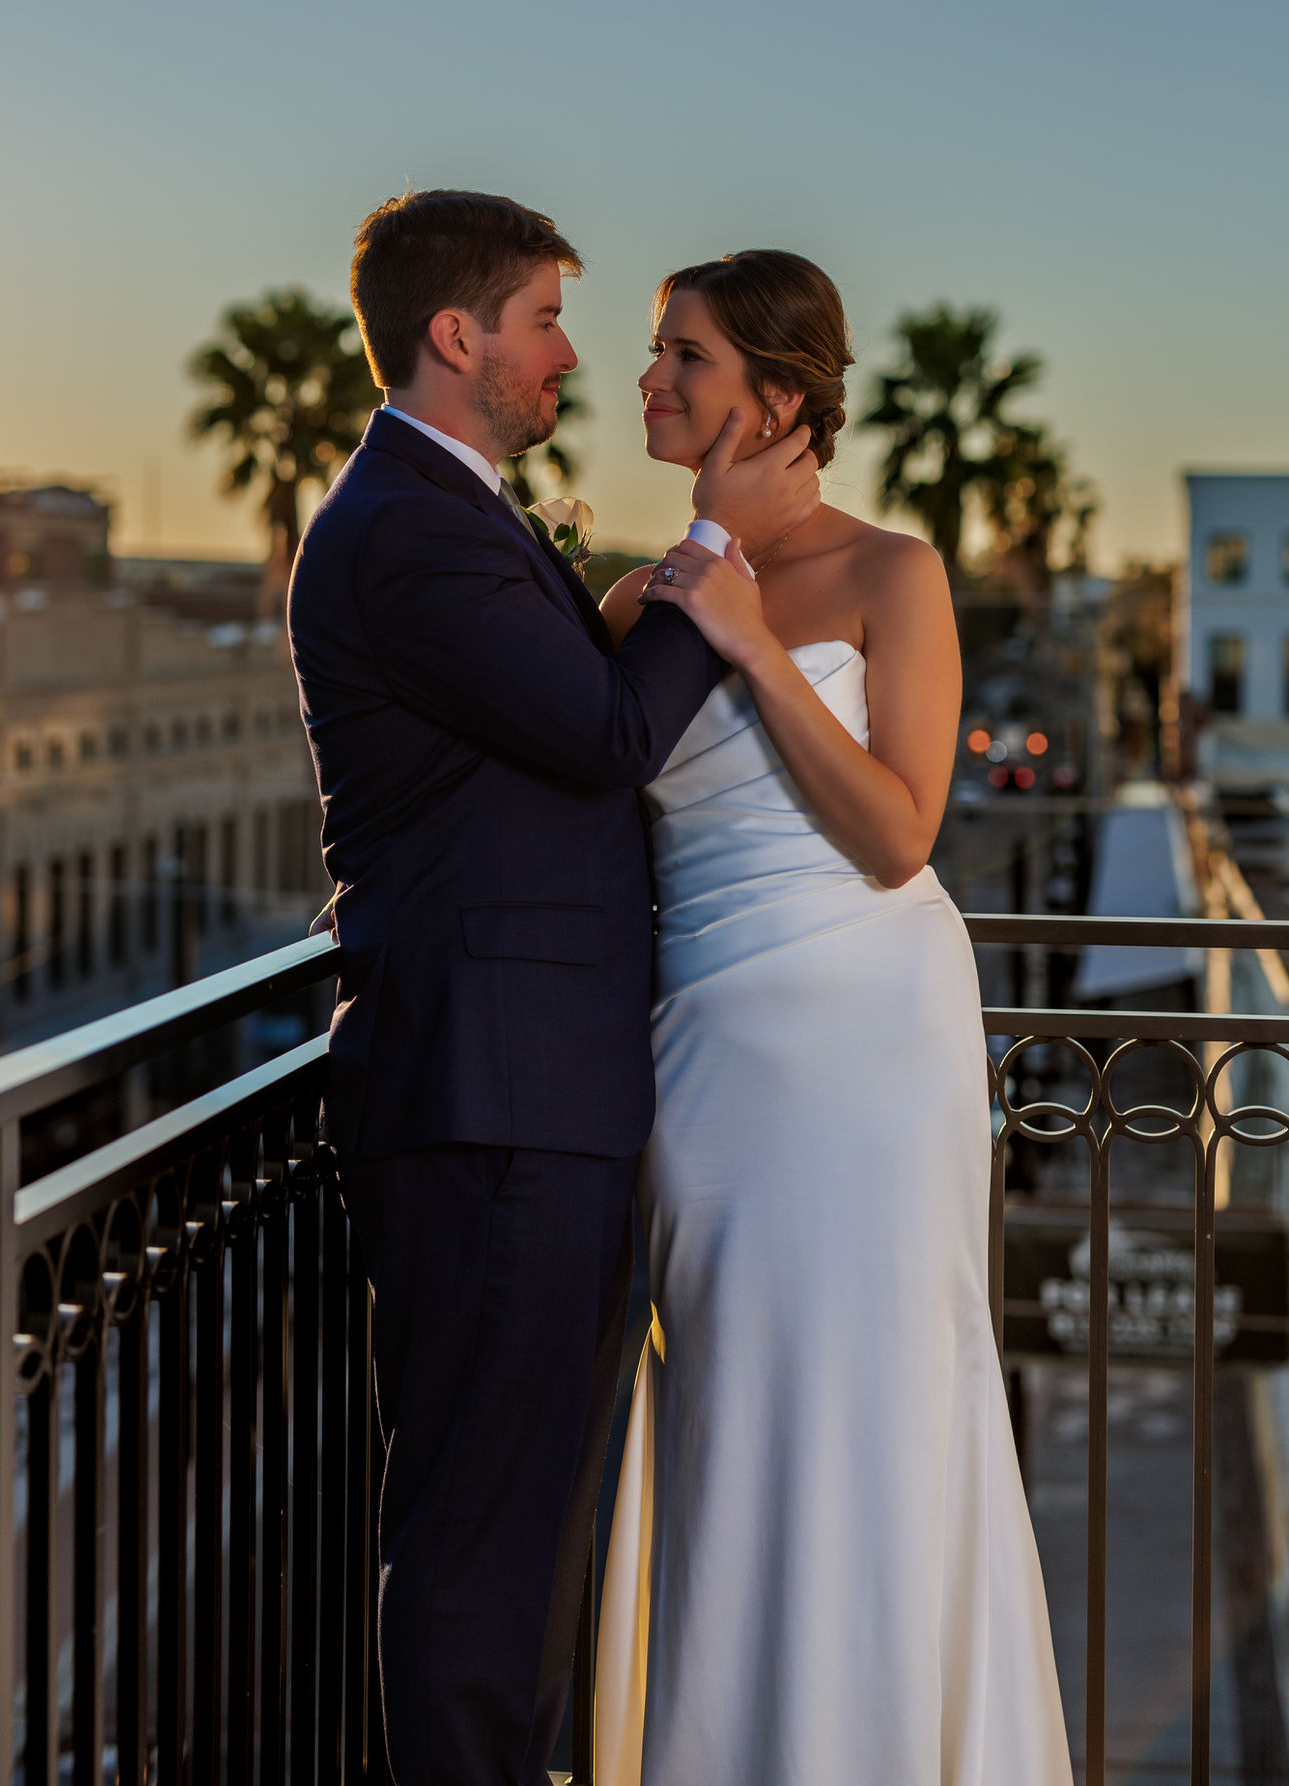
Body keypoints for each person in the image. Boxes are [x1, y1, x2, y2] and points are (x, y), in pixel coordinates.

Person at [286, 194, 821, 1786]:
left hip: (537, 1089)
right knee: (478, 1545)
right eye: (542, 321)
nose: (569, 357)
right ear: (459, 337)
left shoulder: (458, 513)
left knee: (520, 1536)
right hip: (491, 1093)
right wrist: (713, 545)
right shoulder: (404, 528)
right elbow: (603, 735)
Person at [592, 250, 1073, 1786]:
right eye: (654, 351)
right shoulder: (621, 603)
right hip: (704, 1065)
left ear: (776, 396)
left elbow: (897, 831)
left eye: (685, 356)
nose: (650, 378)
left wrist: (744, 636)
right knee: (736, 1402)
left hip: (873, 1051)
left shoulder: (893, 576)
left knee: (879, 1403)